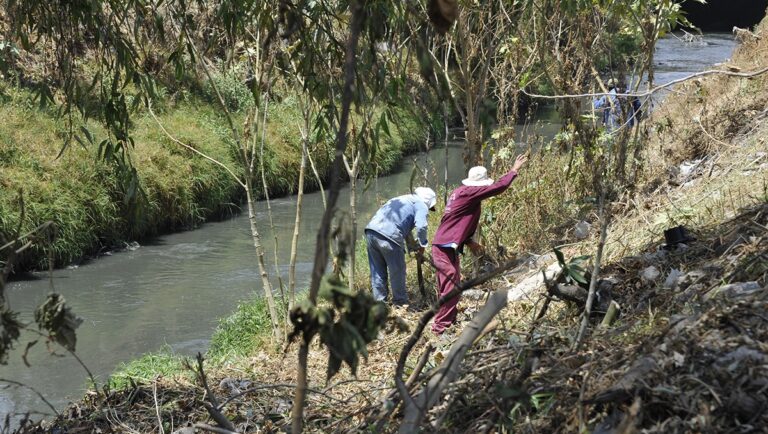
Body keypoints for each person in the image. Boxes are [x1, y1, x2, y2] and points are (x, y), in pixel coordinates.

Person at [431, 155, 527, 334]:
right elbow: (499, 187)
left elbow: (457, 221)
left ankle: (446, 320)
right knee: (451, 284)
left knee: (451, 284)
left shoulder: (462, 193)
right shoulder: (469, 193)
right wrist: (514, 170)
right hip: (443, 247)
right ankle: (439, 328)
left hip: (446, 245)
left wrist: (469, 242)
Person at [365, 187, 437, 306]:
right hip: (389, 236)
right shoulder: (421, 205)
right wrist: (422, 246)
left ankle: (380, 304)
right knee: (397, 271)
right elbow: (421, 227)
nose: (429, 209)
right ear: (428, 201)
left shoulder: (403, 199)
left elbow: (404, 228)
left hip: (371, 232)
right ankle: (400, 303)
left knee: (377, 271)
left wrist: (413, 248)